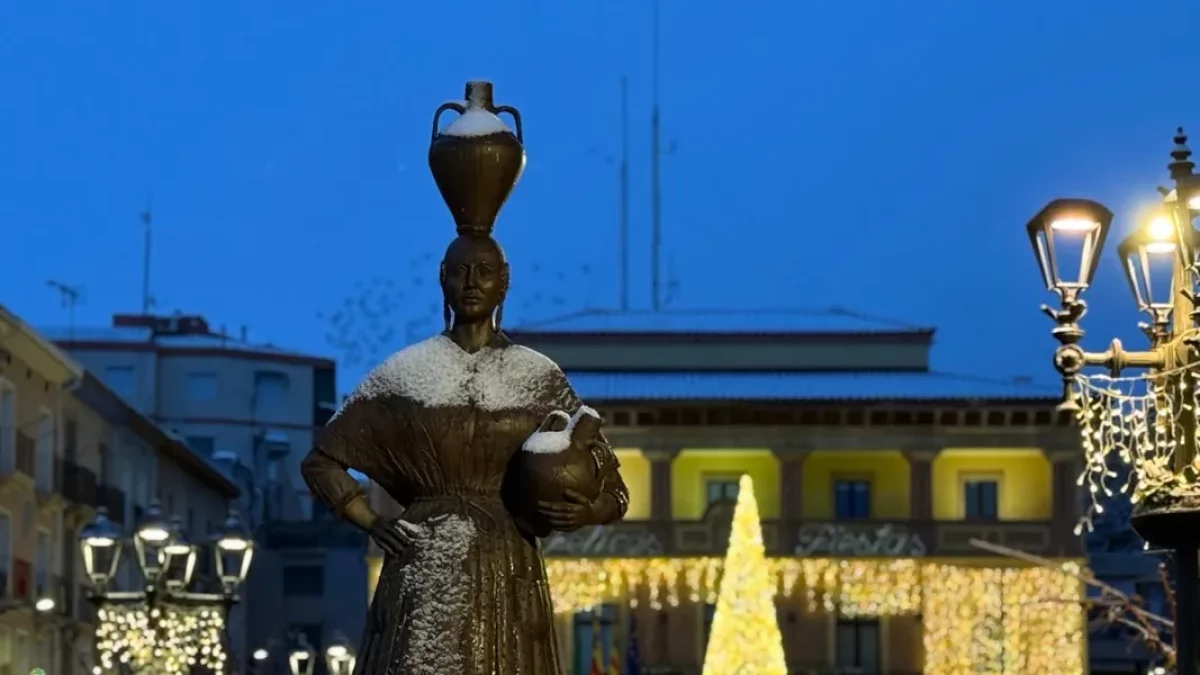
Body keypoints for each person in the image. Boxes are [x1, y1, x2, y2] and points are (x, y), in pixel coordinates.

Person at [301, 233, 629, 675]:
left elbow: (615, 489)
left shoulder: (538, 375)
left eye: (485, 272)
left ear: (504, 284)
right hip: (424, 560)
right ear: (443, 280)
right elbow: (320, 461)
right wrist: (371, 521)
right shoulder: (405, 374)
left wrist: (588, 512)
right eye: (460, 271)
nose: (472, 282)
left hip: (506, 563)